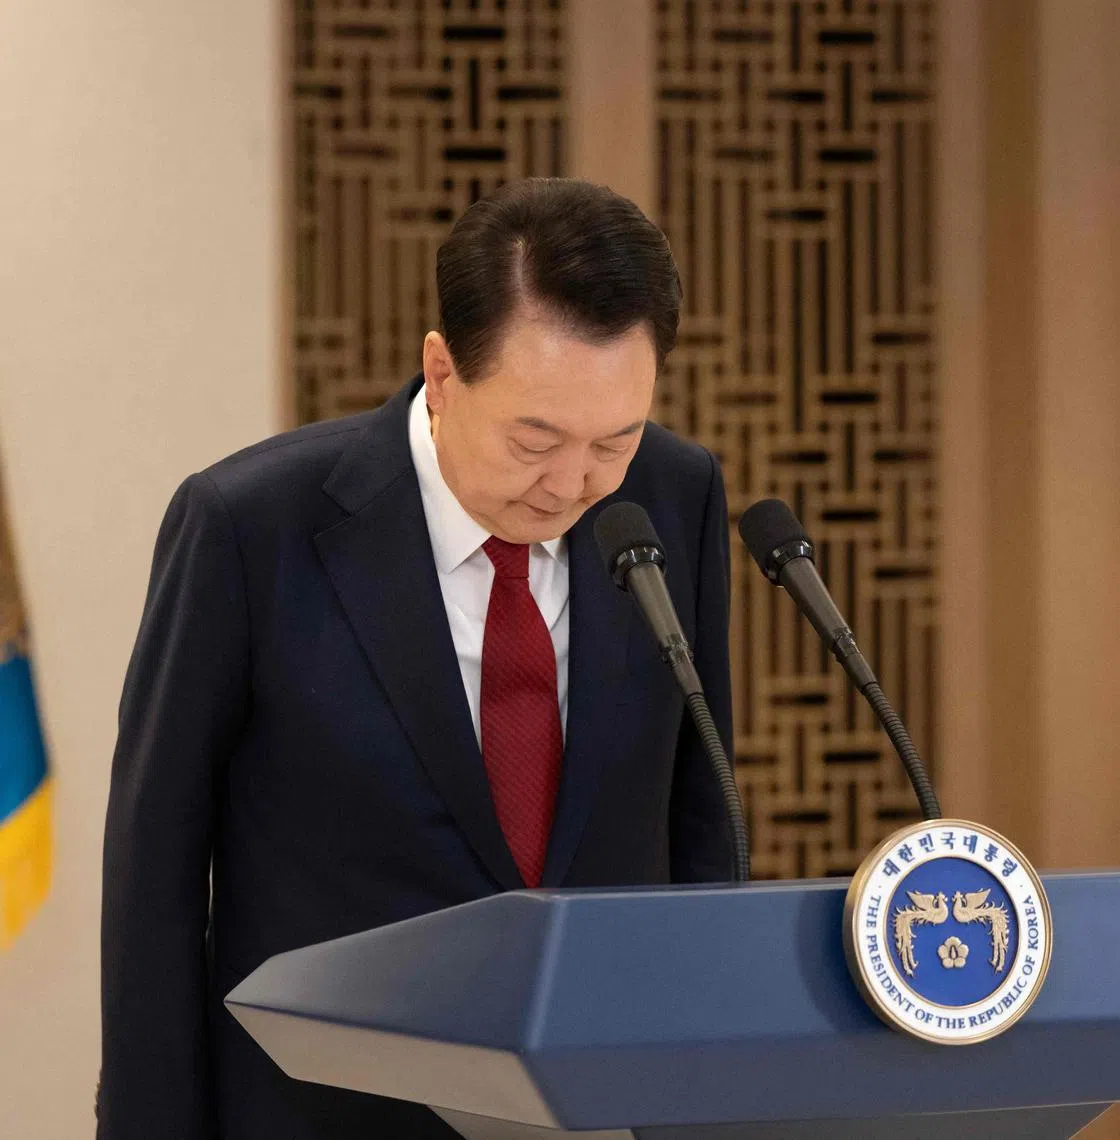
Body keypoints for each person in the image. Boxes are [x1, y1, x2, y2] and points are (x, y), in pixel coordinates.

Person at [98, 178, 734, 1139]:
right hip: (321, 1111)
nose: (574, 484)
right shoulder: (251, 528)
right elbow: (156, 875)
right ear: (441, 373)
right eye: (535, 437)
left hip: (598, 1108)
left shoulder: (672, 499)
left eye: (616, 439)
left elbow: (699, 818)